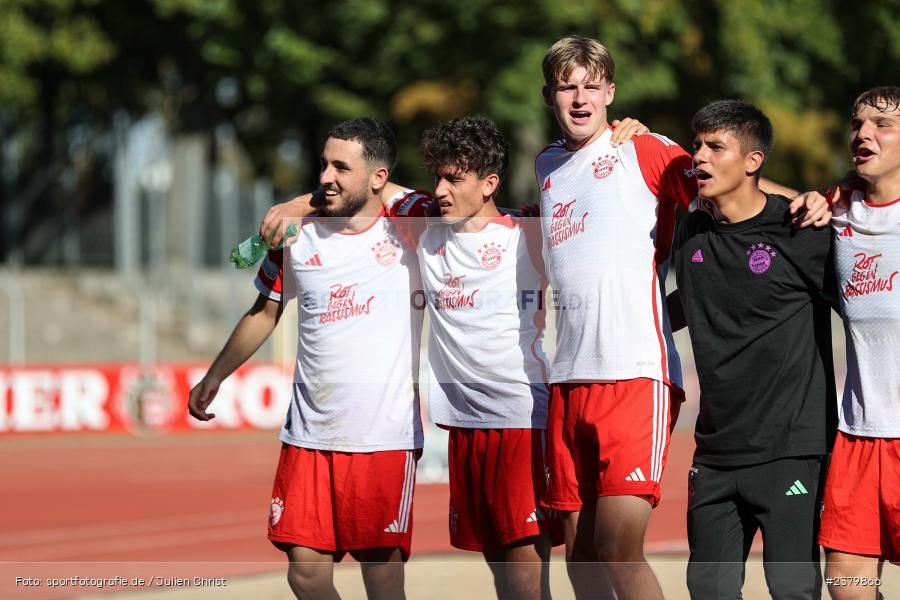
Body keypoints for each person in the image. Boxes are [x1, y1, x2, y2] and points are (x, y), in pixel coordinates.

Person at [533, 36, 830, 600]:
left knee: (619, 550)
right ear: (549, 93)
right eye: (567, 87)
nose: (579, 98)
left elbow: (736, 187)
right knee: (581, 557)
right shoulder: (546, 163)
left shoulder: (644, 150)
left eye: (591, 87)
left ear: (610, 92)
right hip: (567, 375)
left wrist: (810, 200)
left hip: (634, 371)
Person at [188, 117, 423, 600]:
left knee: (382, 583)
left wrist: (298, 200)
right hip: (308, 435)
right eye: (322, 164)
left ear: (378, 177)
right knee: (305, 575)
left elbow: (450, 201)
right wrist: (215, 376)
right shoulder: (299, 236)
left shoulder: (410, 227)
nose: (324, 177)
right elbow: (264, 311)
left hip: (382, 437)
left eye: (341, 167)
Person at [384, 116, 561, 600]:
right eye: (437, 176)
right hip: (463, 422)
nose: (440, 190)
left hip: (522, 418)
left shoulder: (527, 235)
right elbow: (370, 183)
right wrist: (293, 206)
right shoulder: (424, 228)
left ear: (489, 184)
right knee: (499, 569)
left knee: (525, 571)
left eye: (454, 179)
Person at [669, 99, 837, 599]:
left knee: (791, 588)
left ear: (753, 161)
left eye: (715, 146)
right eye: (697, 144)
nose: (698, 156)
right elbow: (691, 301)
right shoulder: (692, 229)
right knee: (709, 591)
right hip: (716, 451)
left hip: (791, 448)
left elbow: (865, 307)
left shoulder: (801, 229)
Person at [816, 86, 900, 600]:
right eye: (858, 124)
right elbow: (750, 200)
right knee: (848, 588)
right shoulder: (838, 211)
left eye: (883, 124)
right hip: (858, 437)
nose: (863, 133)